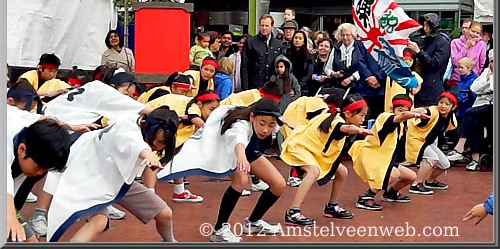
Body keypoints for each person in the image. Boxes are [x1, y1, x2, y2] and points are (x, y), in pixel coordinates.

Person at [157, 98, 287, 242]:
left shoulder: (269, 122)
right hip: (229, 151)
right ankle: (219, 229)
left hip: (249, 151)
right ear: (252, 117)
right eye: (262, 123)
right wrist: (241, 156)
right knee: (241, 181)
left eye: (271, 125)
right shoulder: (241, 125)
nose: (265, 129)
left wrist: (280, 120)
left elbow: (271, 122)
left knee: (279, 185)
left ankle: (253, 222)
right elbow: (239, 139)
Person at [45, 106, 177, 243]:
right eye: (158, 140)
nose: (157, 145)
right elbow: (133, 142)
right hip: (91, 177)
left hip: (119, 180)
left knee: (165, 214)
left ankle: (170, 242)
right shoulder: (127, 125)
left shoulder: (141, 120)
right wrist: (148, 153)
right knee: (99, 221)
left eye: (163, 143)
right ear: (146, 125)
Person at [281, 93, 372, 225]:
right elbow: (345, 128)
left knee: (342, 171)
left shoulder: (335, 117)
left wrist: (356, 129)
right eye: (361, 115)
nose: (363, 119)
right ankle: (293, 212)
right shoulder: (337, 122)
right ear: (347, 114)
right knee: (313, 171)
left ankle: (331, 206)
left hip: (314, 151)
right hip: (300, 147)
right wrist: (357, 130)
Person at [350, 94, 428, 211]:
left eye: (406, 111)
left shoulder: (401, 125)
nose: (403, 114)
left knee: (411, 176)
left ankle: (391, 194)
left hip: (385, 159)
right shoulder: (385, 117)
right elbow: (401, 117)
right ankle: (366, 197)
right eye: (400, 110)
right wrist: (414, 114)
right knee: (394, 174)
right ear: (392, 109)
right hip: (372, 157)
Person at [7, 107, 71, 243]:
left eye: (46, 169)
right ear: (22, 149)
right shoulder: (7, 138)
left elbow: (43, 119)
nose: (40, 173)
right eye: (39, 167)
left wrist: (72, 127)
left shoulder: (30, 131)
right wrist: (10, 217)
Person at [447, 49, 494, 171]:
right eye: (491, 61)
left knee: (470, 113)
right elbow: (474, 88)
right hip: (482, 105)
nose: (493, 64)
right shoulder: (485, 72)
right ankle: (475, 158)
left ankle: (460, 147)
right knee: (474, 122)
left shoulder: (490, 74)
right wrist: (487, 81)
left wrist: (491, 79)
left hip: (492, 106)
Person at [406, 92, 457, 195]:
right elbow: (423, 110)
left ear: (453, 107)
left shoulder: (451, 118)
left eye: (447, 104)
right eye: (441, 102)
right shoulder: (432, 111)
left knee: (445, 164)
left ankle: (430, 182)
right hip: (416, 139)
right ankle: (416, 184)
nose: (443, 106)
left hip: (428, 142)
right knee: (432, 158)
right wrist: (413, 112)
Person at [408, 13, 451, 107]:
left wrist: (419, 52)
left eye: (427, 25)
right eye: (423, 25)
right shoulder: (423, 41)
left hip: (432, 87)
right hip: (418, 85)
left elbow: (434, 63)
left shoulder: (443, 43)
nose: (424, 29)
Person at [241, 14, 285, 90]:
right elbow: (244, 67)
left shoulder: (278, 44)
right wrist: (245, 88)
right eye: (262, 25)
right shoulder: (251, 42)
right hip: (255, 86)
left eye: (267, 26)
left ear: (272, 26)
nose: (264, 28)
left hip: (273, 86)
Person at [448, 21, 486, 93]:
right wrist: (466, 47)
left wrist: (476, 76)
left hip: (473, 81)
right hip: (456, 80)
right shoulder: (455, 42)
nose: (475, 34)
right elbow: (455, 62)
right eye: (473, 31)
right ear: (468, 30)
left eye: (477, 33)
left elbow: (482, 64)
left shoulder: (481, 45)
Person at [384, 47, 422, 112]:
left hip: (406, 104)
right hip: (392, 103)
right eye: (405, 59)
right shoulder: (392, 72)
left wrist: (415, 89)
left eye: (410, 60)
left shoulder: (413, 74)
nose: (407, 62)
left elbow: (418, 86)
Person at [287, 30, 313, 95]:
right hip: (288, 88)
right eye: (295, 38)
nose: (297, 40)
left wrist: (297, 87)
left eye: (300, 38)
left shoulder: (309, 57)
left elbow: (308, 75)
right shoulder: (287, 54)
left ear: (304, 41)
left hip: (303, 89)